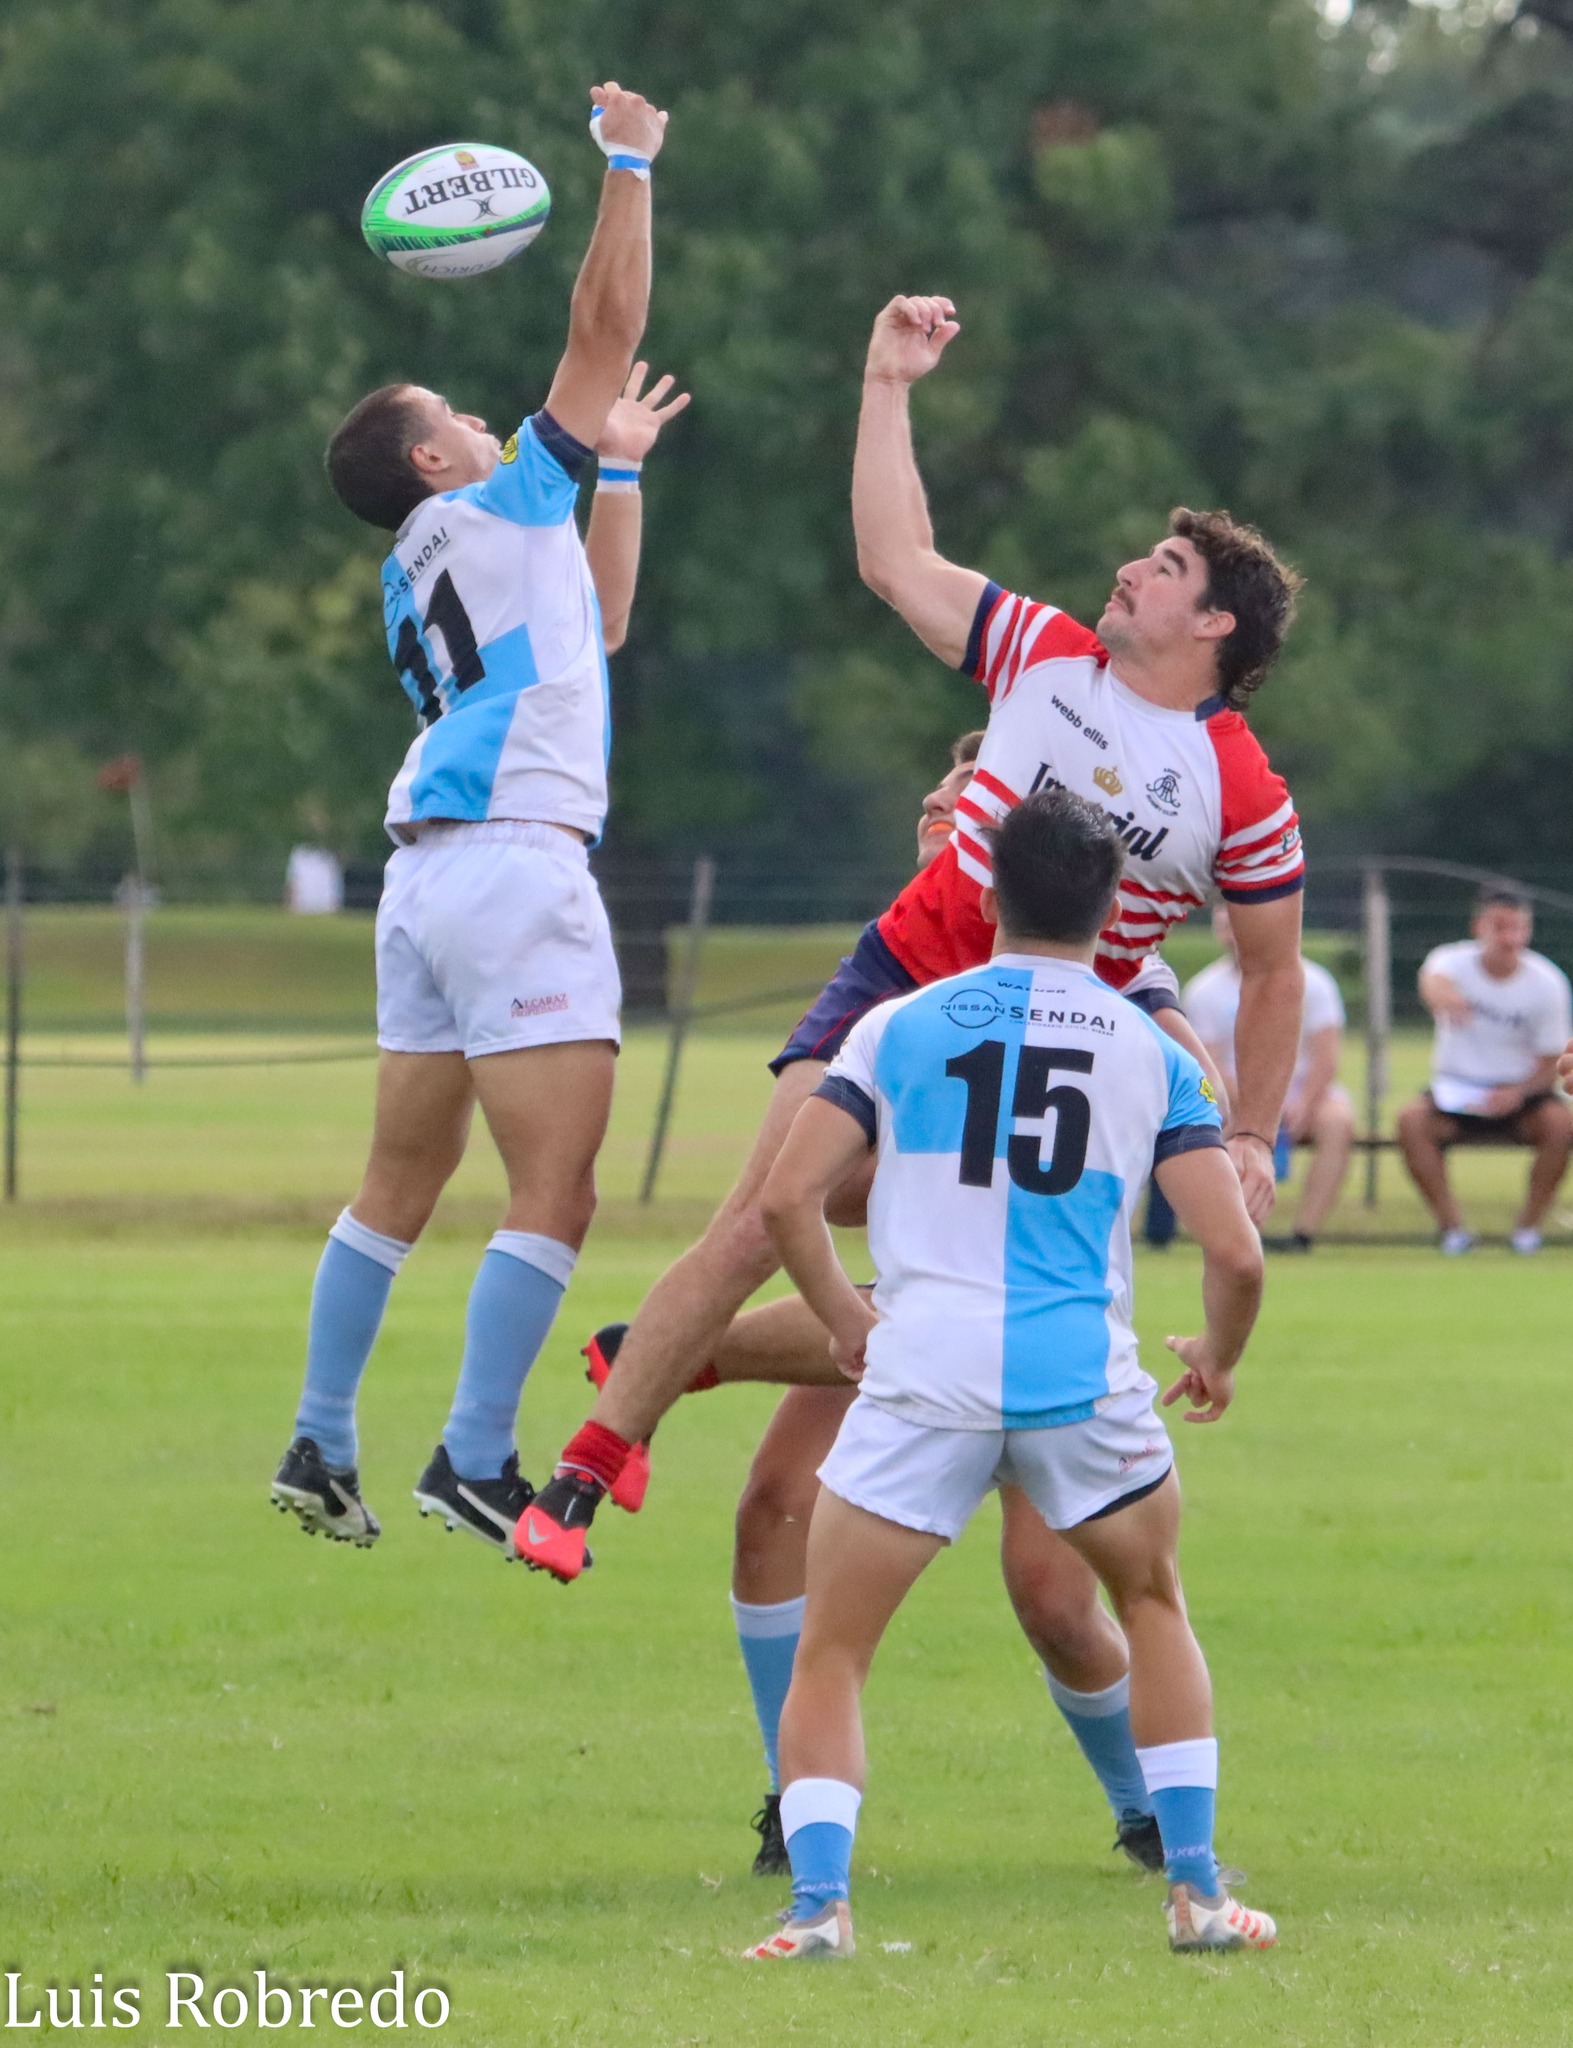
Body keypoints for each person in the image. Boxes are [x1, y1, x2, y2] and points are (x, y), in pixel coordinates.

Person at [744, 789, 1274, 1960]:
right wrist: (1216, 1355)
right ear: (1113, 911)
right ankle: (1193, 1893)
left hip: (921, 1373)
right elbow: (1233, 1248)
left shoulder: (899, 1026)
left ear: (984, 895)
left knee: (834, 1646)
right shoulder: (1150, 1048)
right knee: (1151, 1605)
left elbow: (785, 1196)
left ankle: (816, 1907)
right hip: (1078, 1379)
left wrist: (843, 1316)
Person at [269, 82, 689, 1552]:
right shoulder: (499, 502)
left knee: (399, 1181)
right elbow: (600, 332)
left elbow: (605, 621)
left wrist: (619, 470)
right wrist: (627, 167)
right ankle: (473, 1453)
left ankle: (321, 1444)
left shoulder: (438, 556)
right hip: (515, 865)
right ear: (437, 461)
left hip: (431, 878)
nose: (474, 414)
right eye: (452, 415)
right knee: (558, 1190)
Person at [1397, 886, 1572, 1255]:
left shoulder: (1548, 984)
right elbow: (1432, 980)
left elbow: (1551, 1061)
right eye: (1500, 927)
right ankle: (1453, 1229)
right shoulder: (1452, 962)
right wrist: (1442, 996)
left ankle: (1527, 1230)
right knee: (1411, 1121)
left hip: (1523, 1094)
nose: (1510, 939)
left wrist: (1518, 1093)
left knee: (1561, 1125)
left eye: (1518, 929)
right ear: (1479, 927)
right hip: (1456, 1091)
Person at [1185, 905, 1352, 1250]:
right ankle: (1239, 1230)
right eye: (1225, 926)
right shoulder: (1203, 991)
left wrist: (1304, 1105)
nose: (1234, 934)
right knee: (1208, 1126)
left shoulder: (1315, 982)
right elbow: (1210, 1064)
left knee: (1338, 1122)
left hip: (1303, 1095)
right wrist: (1254, 1111)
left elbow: (1326, 1057)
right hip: (1235, 1098)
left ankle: (1303, 1233)